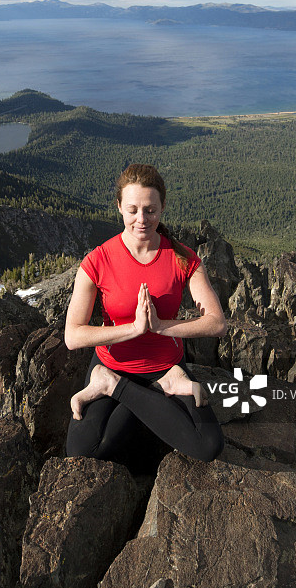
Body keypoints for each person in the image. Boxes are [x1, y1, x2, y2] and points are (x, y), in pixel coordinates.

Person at [64, 163, 226, 463]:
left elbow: (217, 323)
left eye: (150, 210)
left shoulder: (182, 259)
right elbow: (73, 336)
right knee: (81, 452)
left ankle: (117, 388)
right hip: (113, 363)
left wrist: (161, 327)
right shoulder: (97, 261)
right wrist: (135, 329)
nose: (141, 219)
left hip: (165, 365)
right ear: (119, 207)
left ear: (162, 207)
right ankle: (123, 385)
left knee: (208, 446)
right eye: (133, 209)